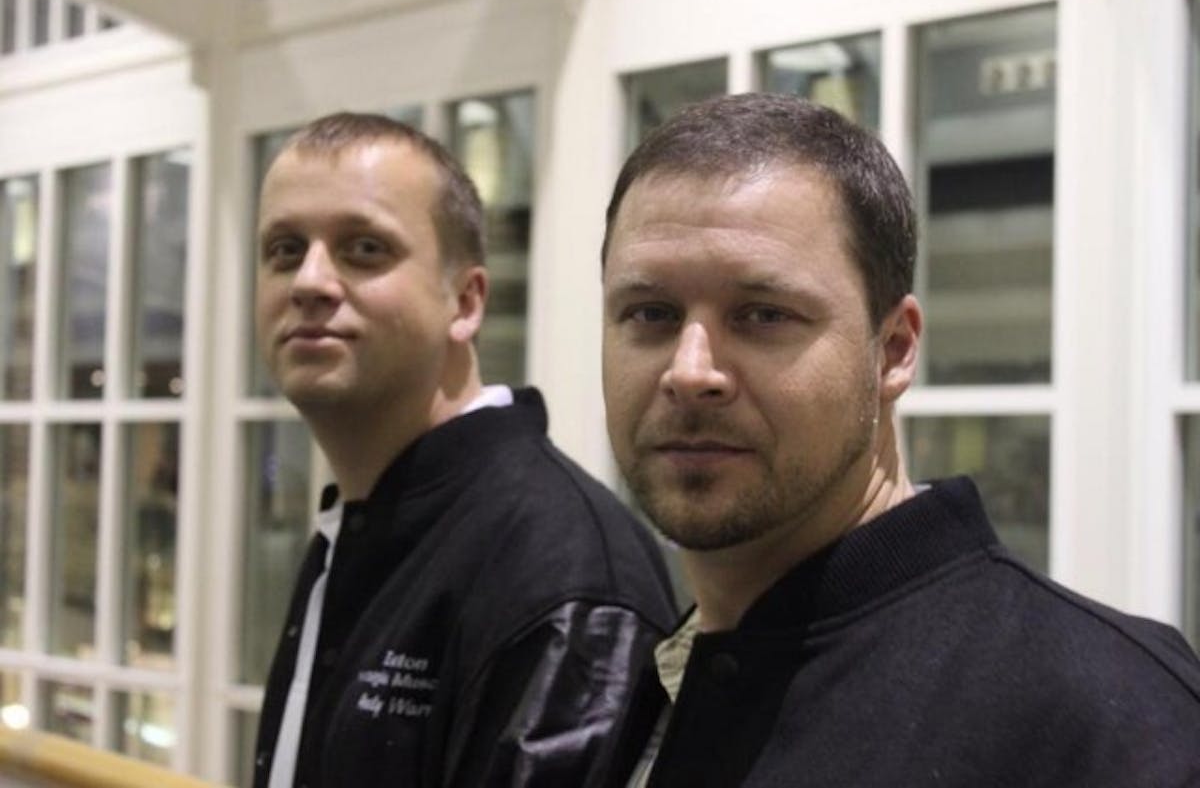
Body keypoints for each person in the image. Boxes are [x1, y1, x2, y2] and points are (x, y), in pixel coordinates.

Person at [596, 93, 1200, 787]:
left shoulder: (1105, 718)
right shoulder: (662, 681)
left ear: (894, 350)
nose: (690, 370)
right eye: (650, 313)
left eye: (763, 314)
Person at [251, 112, 676, 788]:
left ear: (467, 301)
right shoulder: (361, 530)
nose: (310, 280)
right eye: (284, 249)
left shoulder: (563, 573)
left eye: (364, 248)